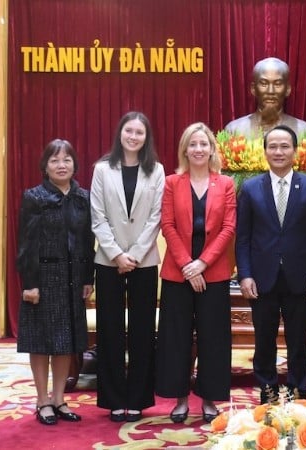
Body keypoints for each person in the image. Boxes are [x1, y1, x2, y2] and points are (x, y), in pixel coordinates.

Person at [236, 124, 306, 404]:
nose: (278, 151)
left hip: (300, 277)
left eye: (284, 146)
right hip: (262, 277)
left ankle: (299, 392)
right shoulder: (251, 188)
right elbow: (243, 238)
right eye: (272, 146)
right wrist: (245, 274)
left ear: (295, 151)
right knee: (264, 339)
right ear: (264, 151)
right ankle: (268, 391)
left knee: (298, 341)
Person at [155, 123, 236, 424]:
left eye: (204, 144)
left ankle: (209, 399)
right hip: (178, 272)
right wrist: (188, 265)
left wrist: (202, 263)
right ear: (185, 150)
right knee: (175, 337)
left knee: (213, 337)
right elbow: (168, 225)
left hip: (213, 272)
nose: (199, 149)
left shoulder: (225, 183)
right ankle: (179, 399)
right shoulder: (172, 182)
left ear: (212, 149)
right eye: (193, 144)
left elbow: (228, 228)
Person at [90, 111, 165, 422]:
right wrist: (117, 255)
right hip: (108, 262)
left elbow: (156, 217)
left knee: (142, 331)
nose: (134, 136)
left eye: (140, 132)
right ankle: (113, 398)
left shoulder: (157, 171)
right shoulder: (102, 169)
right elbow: (97, 216)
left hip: (144, 261)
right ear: (120, 133)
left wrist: (133, 254)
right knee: (109, 330)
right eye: (129, 131)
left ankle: (137, 398)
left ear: (146, 138)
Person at [16, 139, 95, 425]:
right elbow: (26, 243)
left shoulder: (83, 197)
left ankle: (59, 398)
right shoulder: (34, 197)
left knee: (65, 342)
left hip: (73, 279)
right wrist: (30, 283)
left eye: (67, 160)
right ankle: (42, 400)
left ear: (75, 165)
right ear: (45, 166)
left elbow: (88, 241)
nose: (61, 165)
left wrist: (88, 278)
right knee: (40, 342)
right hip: (42, 278)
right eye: (55, 160)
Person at [225, 57, 306, 139]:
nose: (270, 91)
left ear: (287, 89)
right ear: (253, 89)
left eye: (277, 84)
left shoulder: (305, 131)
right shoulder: (234, 130)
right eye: (264, 83)